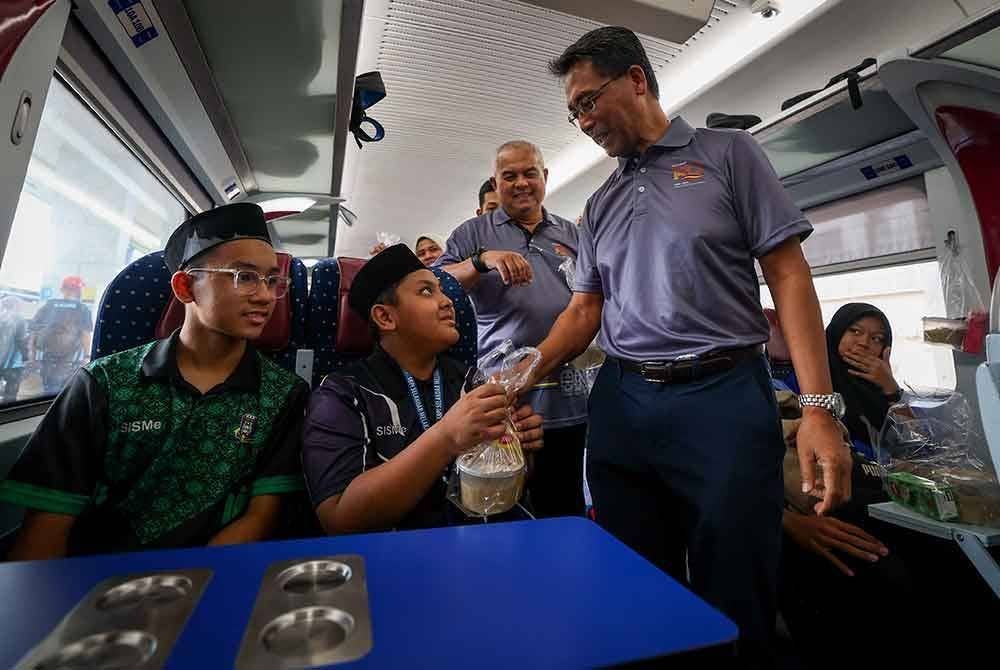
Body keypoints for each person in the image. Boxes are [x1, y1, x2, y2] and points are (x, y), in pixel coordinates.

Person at [536, 27, 852, 665]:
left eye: (590, 101)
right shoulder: (598, 204)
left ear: (637, 80)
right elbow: (583, 310)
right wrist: (520, 377)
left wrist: (819, 408)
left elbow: (788, 274)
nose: (584, 121)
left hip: (723, 396)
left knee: (737, 582)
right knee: (632, 580)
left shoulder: (727, 154)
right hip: (623, 401)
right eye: (574, 113)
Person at [0, 203, 309, 559]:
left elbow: (260, 517)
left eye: (272, 280)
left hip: (214, 576)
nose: (266, 296)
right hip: (93, 580)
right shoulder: (102, 384)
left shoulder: (283, 394)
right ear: (185, 286)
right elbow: (48, 527)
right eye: (245, 277)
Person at [301, 244, 543, 533]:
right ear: (386, 318)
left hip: (483, 541)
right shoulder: (342, 394)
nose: (448, 302)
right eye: (427, 291)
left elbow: (504, 488)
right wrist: (446, 437)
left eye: (442, 290)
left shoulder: (471, 380)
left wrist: (518, 450)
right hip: (393, 557)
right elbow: (340, 518)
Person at [437, 141, 588, 518]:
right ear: (496, 181)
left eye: (529, 173)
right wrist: (481, 261)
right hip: (504, 402)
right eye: (509, 176)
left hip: (570, 400)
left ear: (544, 177)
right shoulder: (473, 233)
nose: (521, 183)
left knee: (564, 507)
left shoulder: (572, 235)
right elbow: (433, 283)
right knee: (500, 509)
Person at [825, 302, 901, 458]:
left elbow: (916, 442)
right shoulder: (813, 379)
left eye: (876, 338)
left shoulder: (882, 389)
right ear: (837, 332)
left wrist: (891, 388)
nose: (864, 343)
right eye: (855, 331)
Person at [28, 276, 93, 395]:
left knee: (48, 383)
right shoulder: (82, 308)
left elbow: (34, 330)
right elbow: (85, 334)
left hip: (47, 353)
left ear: (62, 289)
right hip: (68, 357)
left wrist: (31, 355)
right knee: (60, 387)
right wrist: (87, 356)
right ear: (79, 291)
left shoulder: (50, 304)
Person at [0, 294, 30, 403]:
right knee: (10, 394)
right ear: (16, 306)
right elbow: (21, 341)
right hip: (12, 364)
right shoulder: (19, 319)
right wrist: (27, 358)